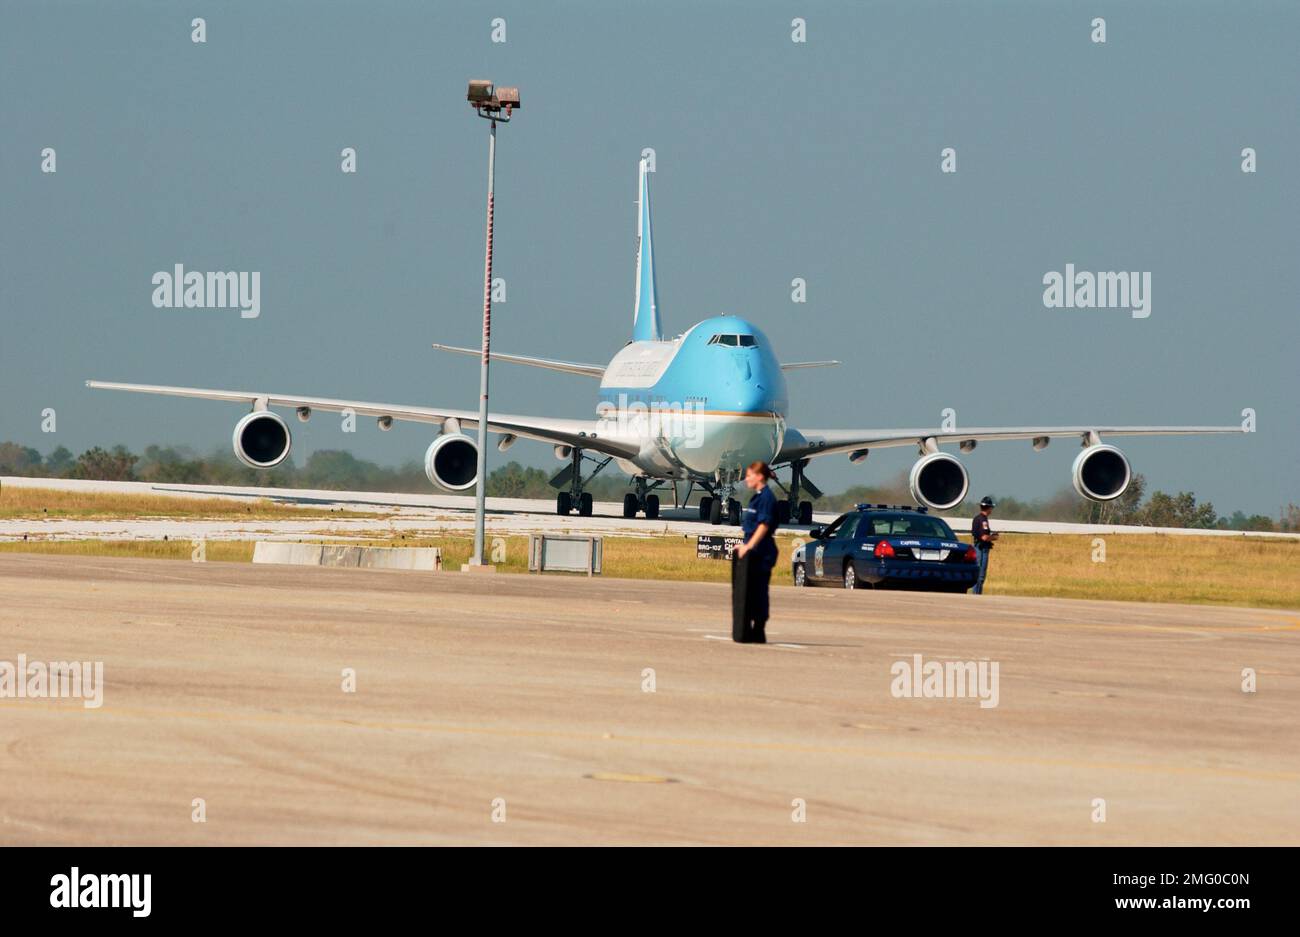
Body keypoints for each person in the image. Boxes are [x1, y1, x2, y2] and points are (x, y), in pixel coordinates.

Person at [733, 461, 779, 643]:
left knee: (759, 591)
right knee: (748, 591)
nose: (746, 479)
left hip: (762, 552)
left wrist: (749, 546)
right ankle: (750, 626)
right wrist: (743, 545)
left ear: (759, 476)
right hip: (753, 551)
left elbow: (764, 525)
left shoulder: (767, 498)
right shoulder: (757, 497)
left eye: (749, 475)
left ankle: (759, 629)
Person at [971, 495, 998, 594]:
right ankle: (976, 595)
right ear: (989, 508)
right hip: (981, 549)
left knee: (979, 575)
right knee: (980, 576)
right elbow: (984, 537)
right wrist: (993, 537)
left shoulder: (977, 518)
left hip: (978, 548)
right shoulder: (983, 520)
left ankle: (976, 594)